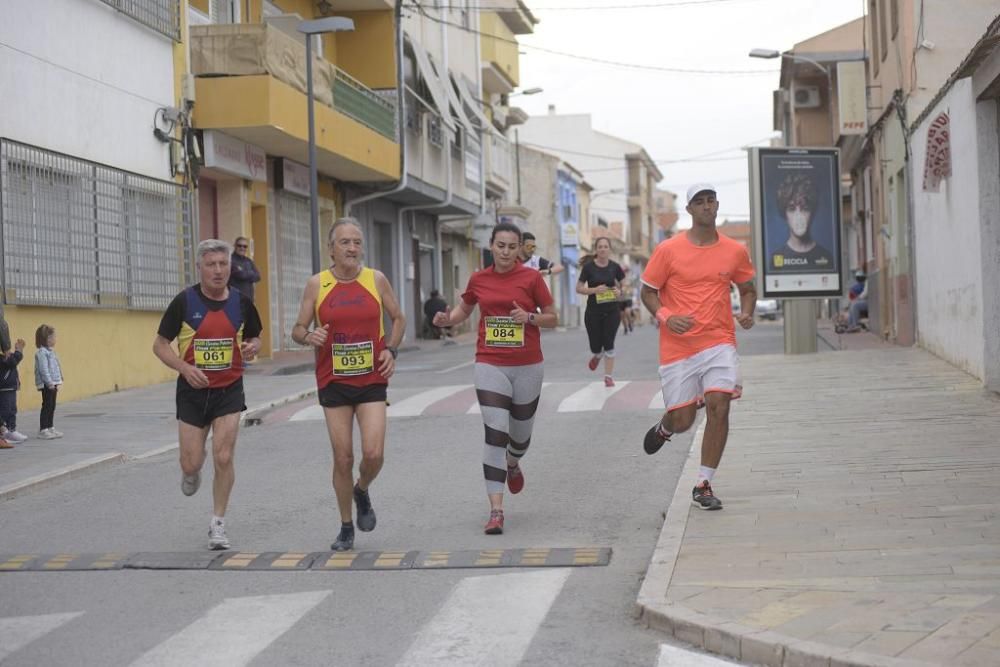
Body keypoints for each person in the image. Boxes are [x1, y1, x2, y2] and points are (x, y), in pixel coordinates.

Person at [433, 222, 558, 535]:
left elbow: (553, 318)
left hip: (528, 364)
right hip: (489, 362)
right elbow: (464, 309)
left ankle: (513, 463)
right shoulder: (479, 278)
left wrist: (528, 317)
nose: (505, 252)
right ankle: (496, 510)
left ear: (519, 250)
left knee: (520, 436)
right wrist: (447, 320)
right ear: (491, 246)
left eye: (511, 247)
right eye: (500, 246)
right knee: (495, 431)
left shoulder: (531, 279)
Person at [640, 183, 756, 511]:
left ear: (717, 206)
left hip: (719, 341)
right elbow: (648, 291)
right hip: (678, 347)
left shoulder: (734, 251)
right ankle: (666, 426)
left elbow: (747, 288)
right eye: (699, 202)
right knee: (684, 420)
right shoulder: (668, 250)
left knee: (720, 403)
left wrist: (746, 312)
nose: (706, 206)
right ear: (689, 210)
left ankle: (703, 483)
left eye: (710, 200)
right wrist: (665, 316)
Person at [291, 218, 405, 552]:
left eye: (357, 242)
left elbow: (398, 317)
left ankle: (362, 488)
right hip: (334, 380)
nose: (352, 248)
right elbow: (297, 329)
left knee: (373, 453)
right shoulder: (318, 284)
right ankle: (345, 526)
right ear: (331, 249)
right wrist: (309, 335)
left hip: (371, 378)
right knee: (342, 457)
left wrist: (391, 350)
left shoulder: (376, 279)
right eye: (345, 242)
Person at [153, 239, 263, 550]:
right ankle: (190, 472)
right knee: (191, 463)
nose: (218, 270)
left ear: (230, 266)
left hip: (228, 389)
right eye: (211, 264)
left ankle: (218, 523)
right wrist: (184, 369)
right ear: (199, 267)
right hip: (192, 391)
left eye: (223, 264)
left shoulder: (241, 303)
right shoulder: (185, 302)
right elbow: (160, 345)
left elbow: (255, 338)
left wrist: (254, 347)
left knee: (224, 456)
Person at [577, 237, 625, 387]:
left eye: (605, 246)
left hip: (612, 311)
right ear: (596, 249)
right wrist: (594, 290)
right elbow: (578, 288)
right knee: (596, 345)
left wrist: (619, 291)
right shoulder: (589, 268)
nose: (603, 249)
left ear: (609, 249)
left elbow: (623, 286)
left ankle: (608, 377)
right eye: (600, 246)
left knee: (609, 343)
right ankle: (597, 354)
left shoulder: (615, 267)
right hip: (593, 312)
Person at [769, 172, 834, 272]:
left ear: (812, 212)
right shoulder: (776, 259)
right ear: (784, 214)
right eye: (791, 209)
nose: (798, 217)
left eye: (804, 208)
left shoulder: (826, 257)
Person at [34, 325, 64, 440]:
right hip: (47, 384)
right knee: (47, 405)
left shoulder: (51, 352)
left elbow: (56, 365)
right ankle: (43, 429)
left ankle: (50, 427)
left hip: (53, 382)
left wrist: (59, 378)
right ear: (44, 339)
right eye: (52, 337)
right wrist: (49, 382)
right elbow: (43, 369)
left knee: (52, 405)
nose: (55, 339)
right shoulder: (42, 353)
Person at [0, 335, 28, 446]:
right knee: (5, 410)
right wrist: (19, 351)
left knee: (12, 410)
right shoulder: (4, 359)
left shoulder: (5, 356)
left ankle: (12, 430)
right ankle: (4, 433)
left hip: (11, 387)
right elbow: (12, 362)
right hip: (4, 388)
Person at [229, 236, 262, 302]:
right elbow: (240, 275)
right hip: (236, 299)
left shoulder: (248, 261)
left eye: (245, 246)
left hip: (249, 299)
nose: (242, 248)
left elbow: (258, 276)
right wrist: (251, 273)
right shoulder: (230, 260)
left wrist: (245, 273)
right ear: (235, 246)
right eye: (239, 246)